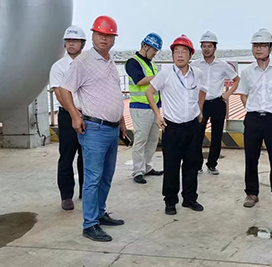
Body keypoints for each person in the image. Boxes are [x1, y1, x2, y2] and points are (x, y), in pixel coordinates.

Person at [57, 15, 127, 242]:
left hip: (112, 128)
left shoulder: (110, 62)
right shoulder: (83, 61)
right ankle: (89, 224)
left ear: (114, 39)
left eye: (108, 35)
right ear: (93, 36)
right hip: (95, 129)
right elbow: (65, 89)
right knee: (93, 178)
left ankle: (100, 212)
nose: (104, 39)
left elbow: (113, 93)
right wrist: (75, 115)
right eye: (100, 34)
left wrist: (122, 120)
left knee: (107, 176)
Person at [146, 35, 206, 215]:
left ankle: (190, 198)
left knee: (192, 164)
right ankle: (170, 201)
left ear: (190, 55)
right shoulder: (165, 73)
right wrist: (158, 115)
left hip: (192, 126)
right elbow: (149, 92)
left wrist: (200, 110)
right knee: (171, 166)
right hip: (172, 128)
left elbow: (202, 91)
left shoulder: (198, 74)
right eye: (176, 52)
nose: (180, 55)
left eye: (184, 52)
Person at [237, 29, 272, 209]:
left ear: (270, 48)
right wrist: (252, 108)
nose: (258, 49)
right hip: (253, 119)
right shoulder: (247, 72)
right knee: (251, 157)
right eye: (255, 45)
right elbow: (243, 94)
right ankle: (251, 193)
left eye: (263, 45)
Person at [49, 25, 87, 211]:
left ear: (82, 44)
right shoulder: (58, 67)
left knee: (86, 156)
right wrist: (74, 114)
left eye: (75, 41)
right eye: (68, 41)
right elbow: (59, 93)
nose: (71, 44)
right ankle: (66, 196)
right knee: (66, 156)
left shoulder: (88, 64)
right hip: (67, 116)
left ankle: (86, 191)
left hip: (88, 115)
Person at [193, 31, 239, 175]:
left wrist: (228, 94)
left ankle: (212, 164)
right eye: (204, 46)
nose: (206, 49)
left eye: (209, 46)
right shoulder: (195, 65)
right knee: (197, 135)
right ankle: (197, 164)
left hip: (218, 102)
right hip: (201, 103)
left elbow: (237, 79)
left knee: (217, 135)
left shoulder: (223, 65)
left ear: (215, 48)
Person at [127, 33, 164, 184]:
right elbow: (140, 80)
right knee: (141, 140)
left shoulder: (151, 64)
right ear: (146, 46)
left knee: (153, 139)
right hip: (140, 107)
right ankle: (138, 171)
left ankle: (147, 167)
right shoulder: (132, 62)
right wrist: (161, 76)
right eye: (154, 50)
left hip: (154, 107)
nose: (155, 53)